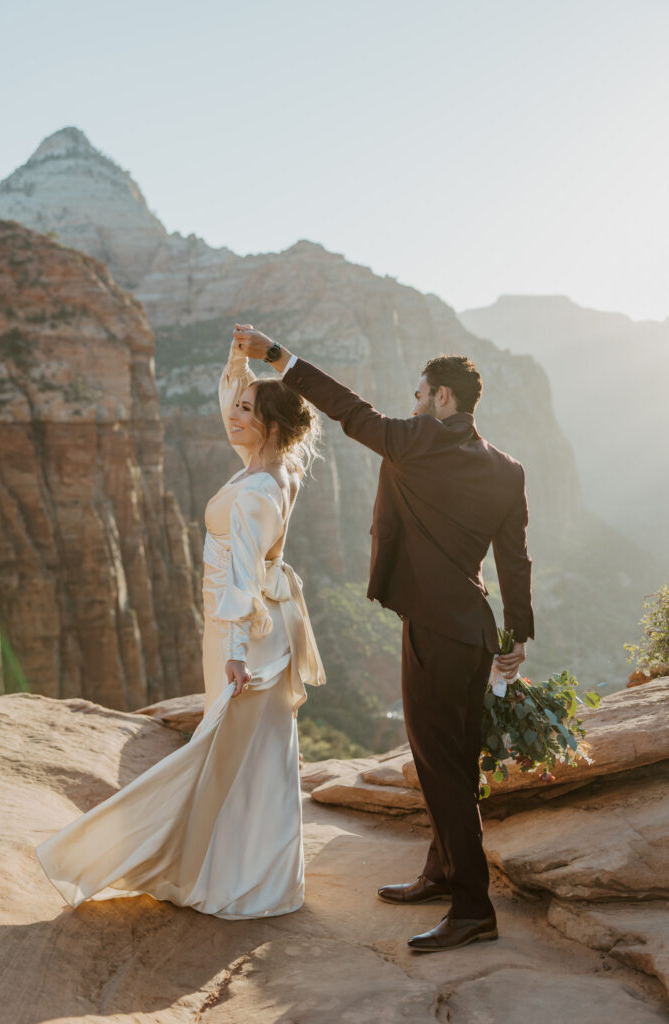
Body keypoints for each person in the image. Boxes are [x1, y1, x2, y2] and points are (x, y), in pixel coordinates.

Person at [233, 322, 534, 952]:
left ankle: (474, 909)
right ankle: (443, 870)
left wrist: (278, 356)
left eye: (422, 395)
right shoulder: (508, 469)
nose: (415, 405)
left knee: (439, 763)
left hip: (435, 630)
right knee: (452, 759)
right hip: (475, 632)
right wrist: (518, 632)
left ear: (444, 399)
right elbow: (515, 560)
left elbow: (348, 409)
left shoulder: (419, 442)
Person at [36, 339, 325, 919]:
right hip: (261, 628)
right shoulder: (277, 470)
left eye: (246, 410)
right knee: (256, 751)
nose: (233, 417)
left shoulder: (255, 493)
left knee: (224, 750)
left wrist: (237, 653)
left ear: (269, 424)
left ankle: (210, 871)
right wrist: (239, 365)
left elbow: (242, 581)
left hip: (241, 633)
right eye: (238, 406)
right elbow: (235, 414)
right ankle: (256, 873)